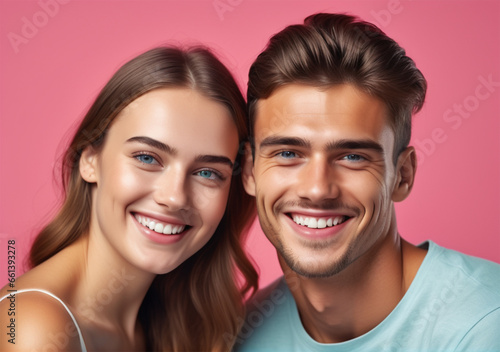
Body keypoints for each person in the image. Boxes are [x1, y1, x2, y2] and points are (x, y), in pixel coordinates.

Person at [236, 13, 500, 351]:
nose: (317, 189)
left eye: (353, 157)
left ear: (402, 176)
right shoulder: (243, 335)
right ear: (249, 171)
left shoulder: (483, 325)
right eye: (288, 153)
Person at [0, 46, 258, 351]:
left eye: (208, 173)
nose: (175, 197)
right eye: (147, 158)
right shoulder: (34, 329)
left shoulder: (170, 321)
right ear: (91, 160)